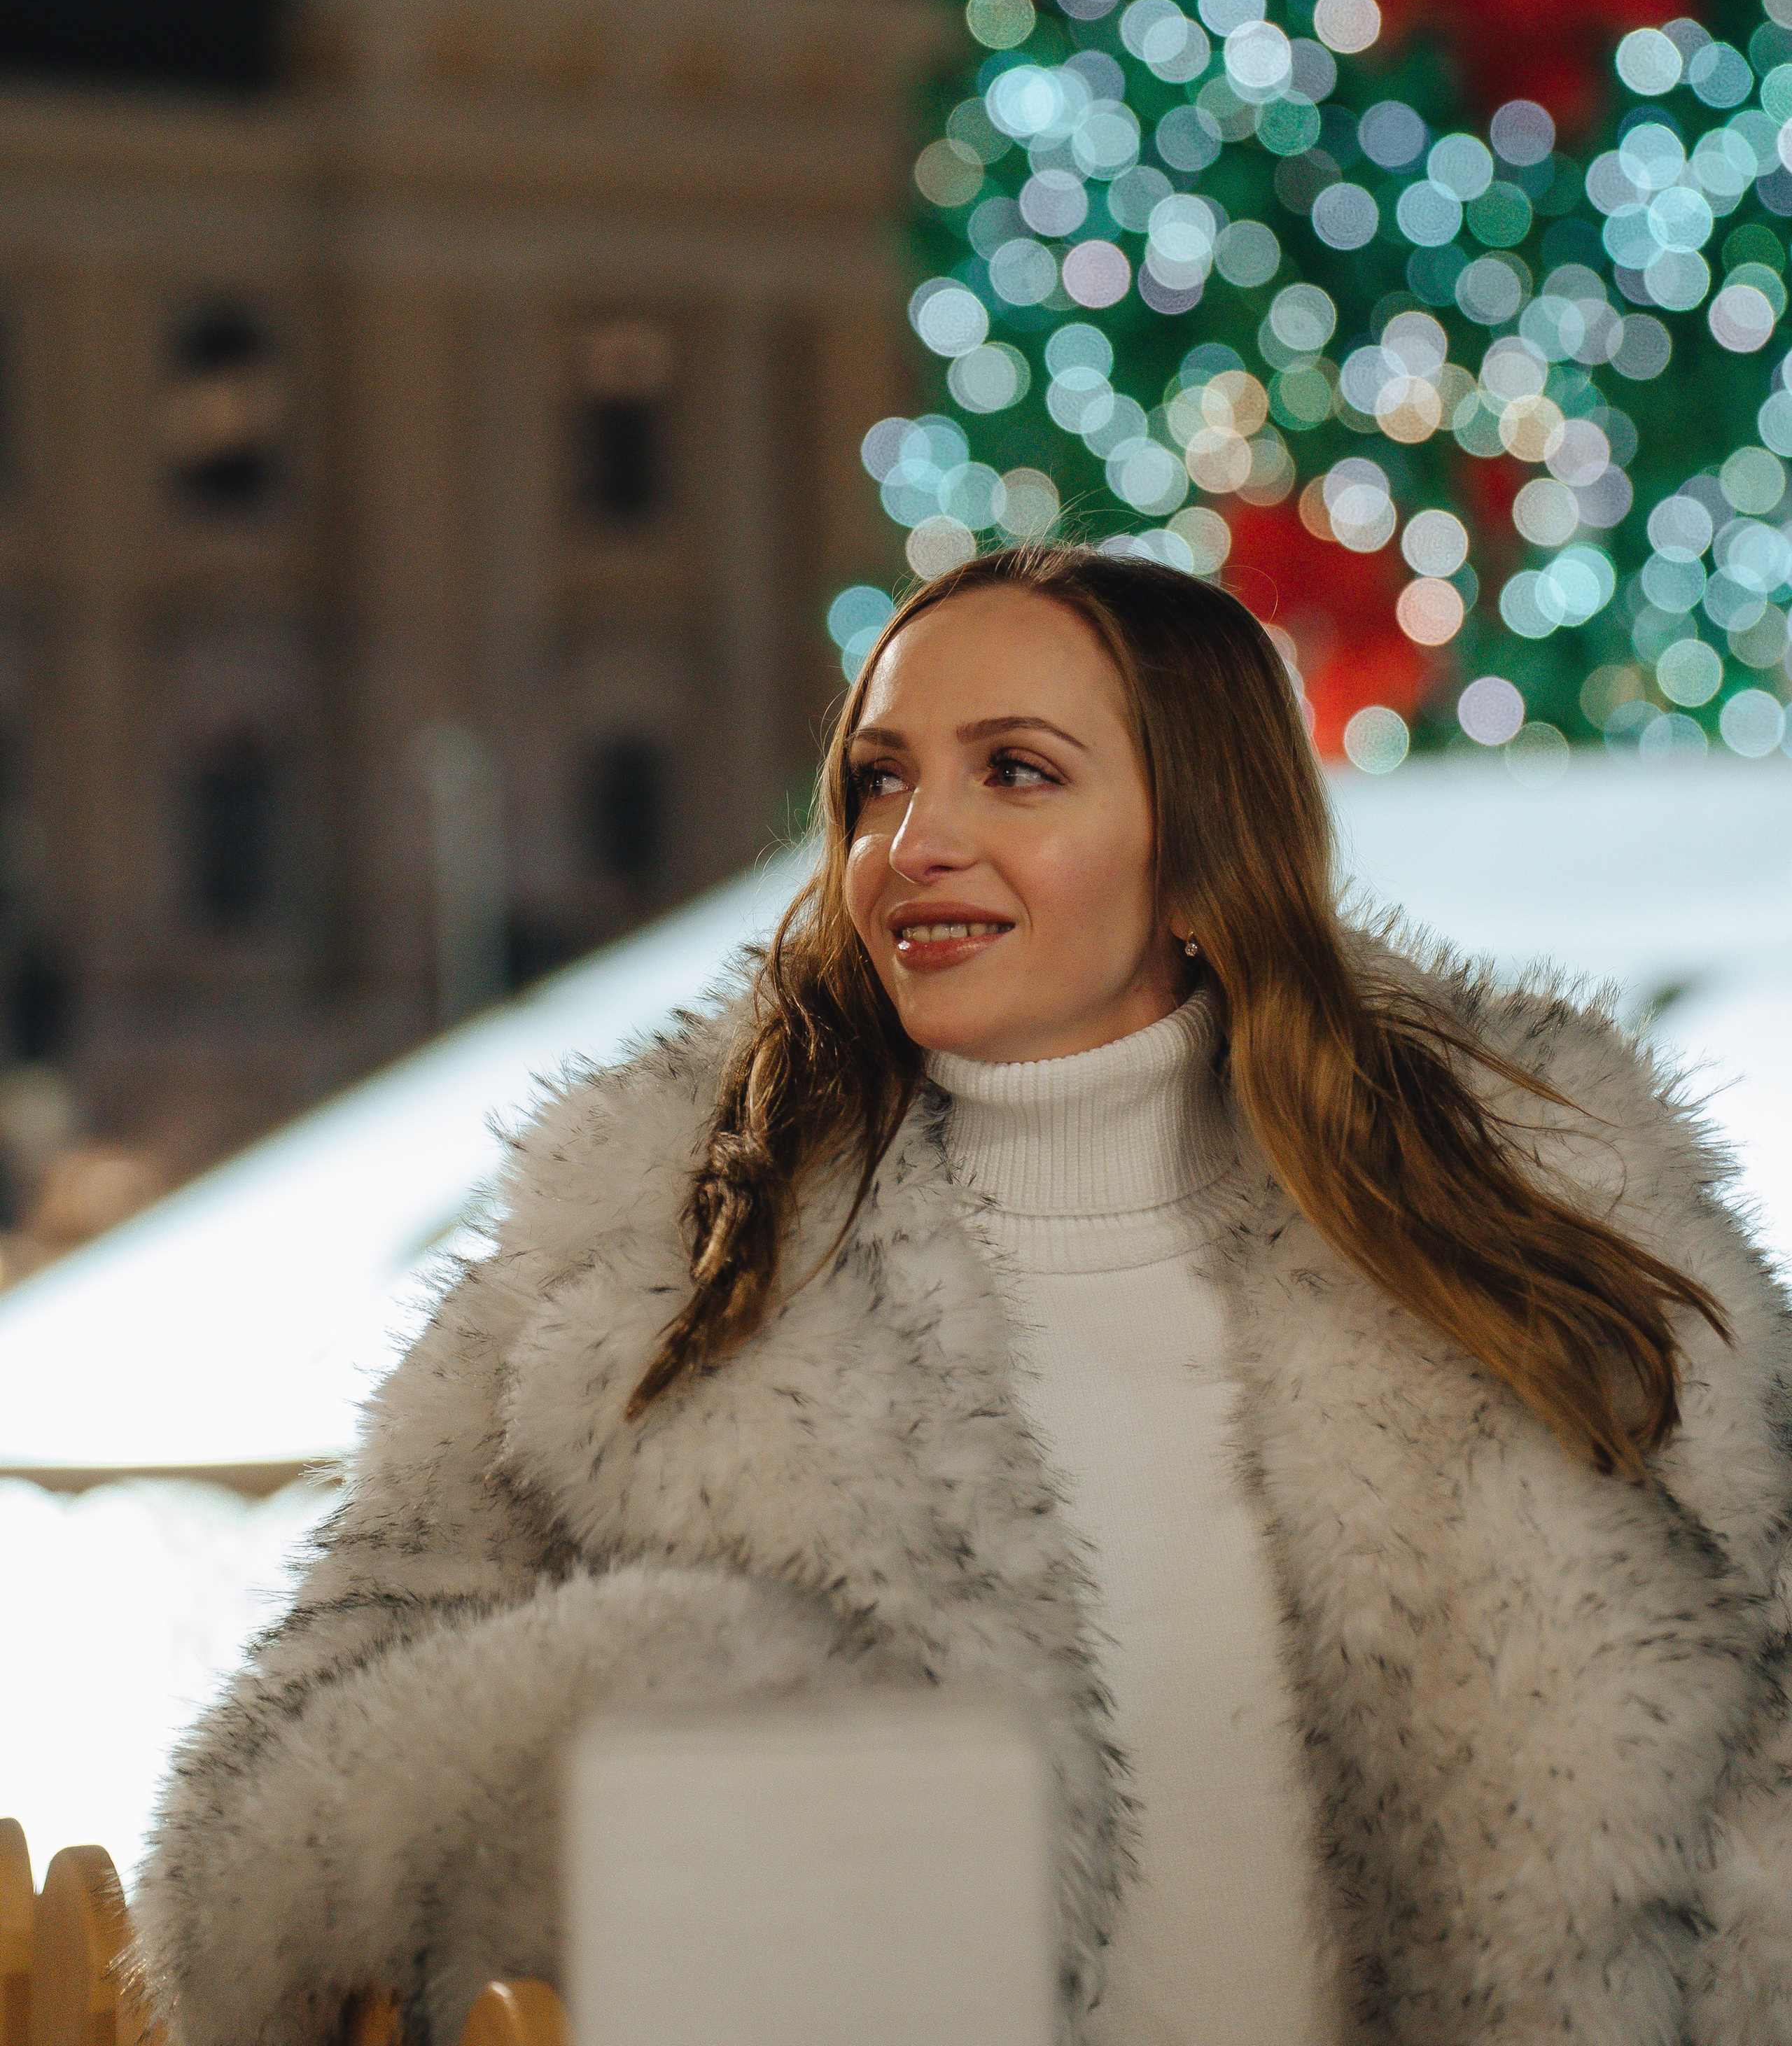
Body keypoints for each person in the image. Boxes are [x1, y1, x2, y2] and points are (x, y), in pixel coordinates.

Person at [138, 547, 1792, 2046]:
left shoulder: (1554, 1239)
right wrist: (629, 1734)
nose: (911, 846)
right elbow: (263, 1847)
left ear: (1203, 841)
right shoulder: (637, 1276)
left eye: (1015, 772)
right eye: (874, 784)